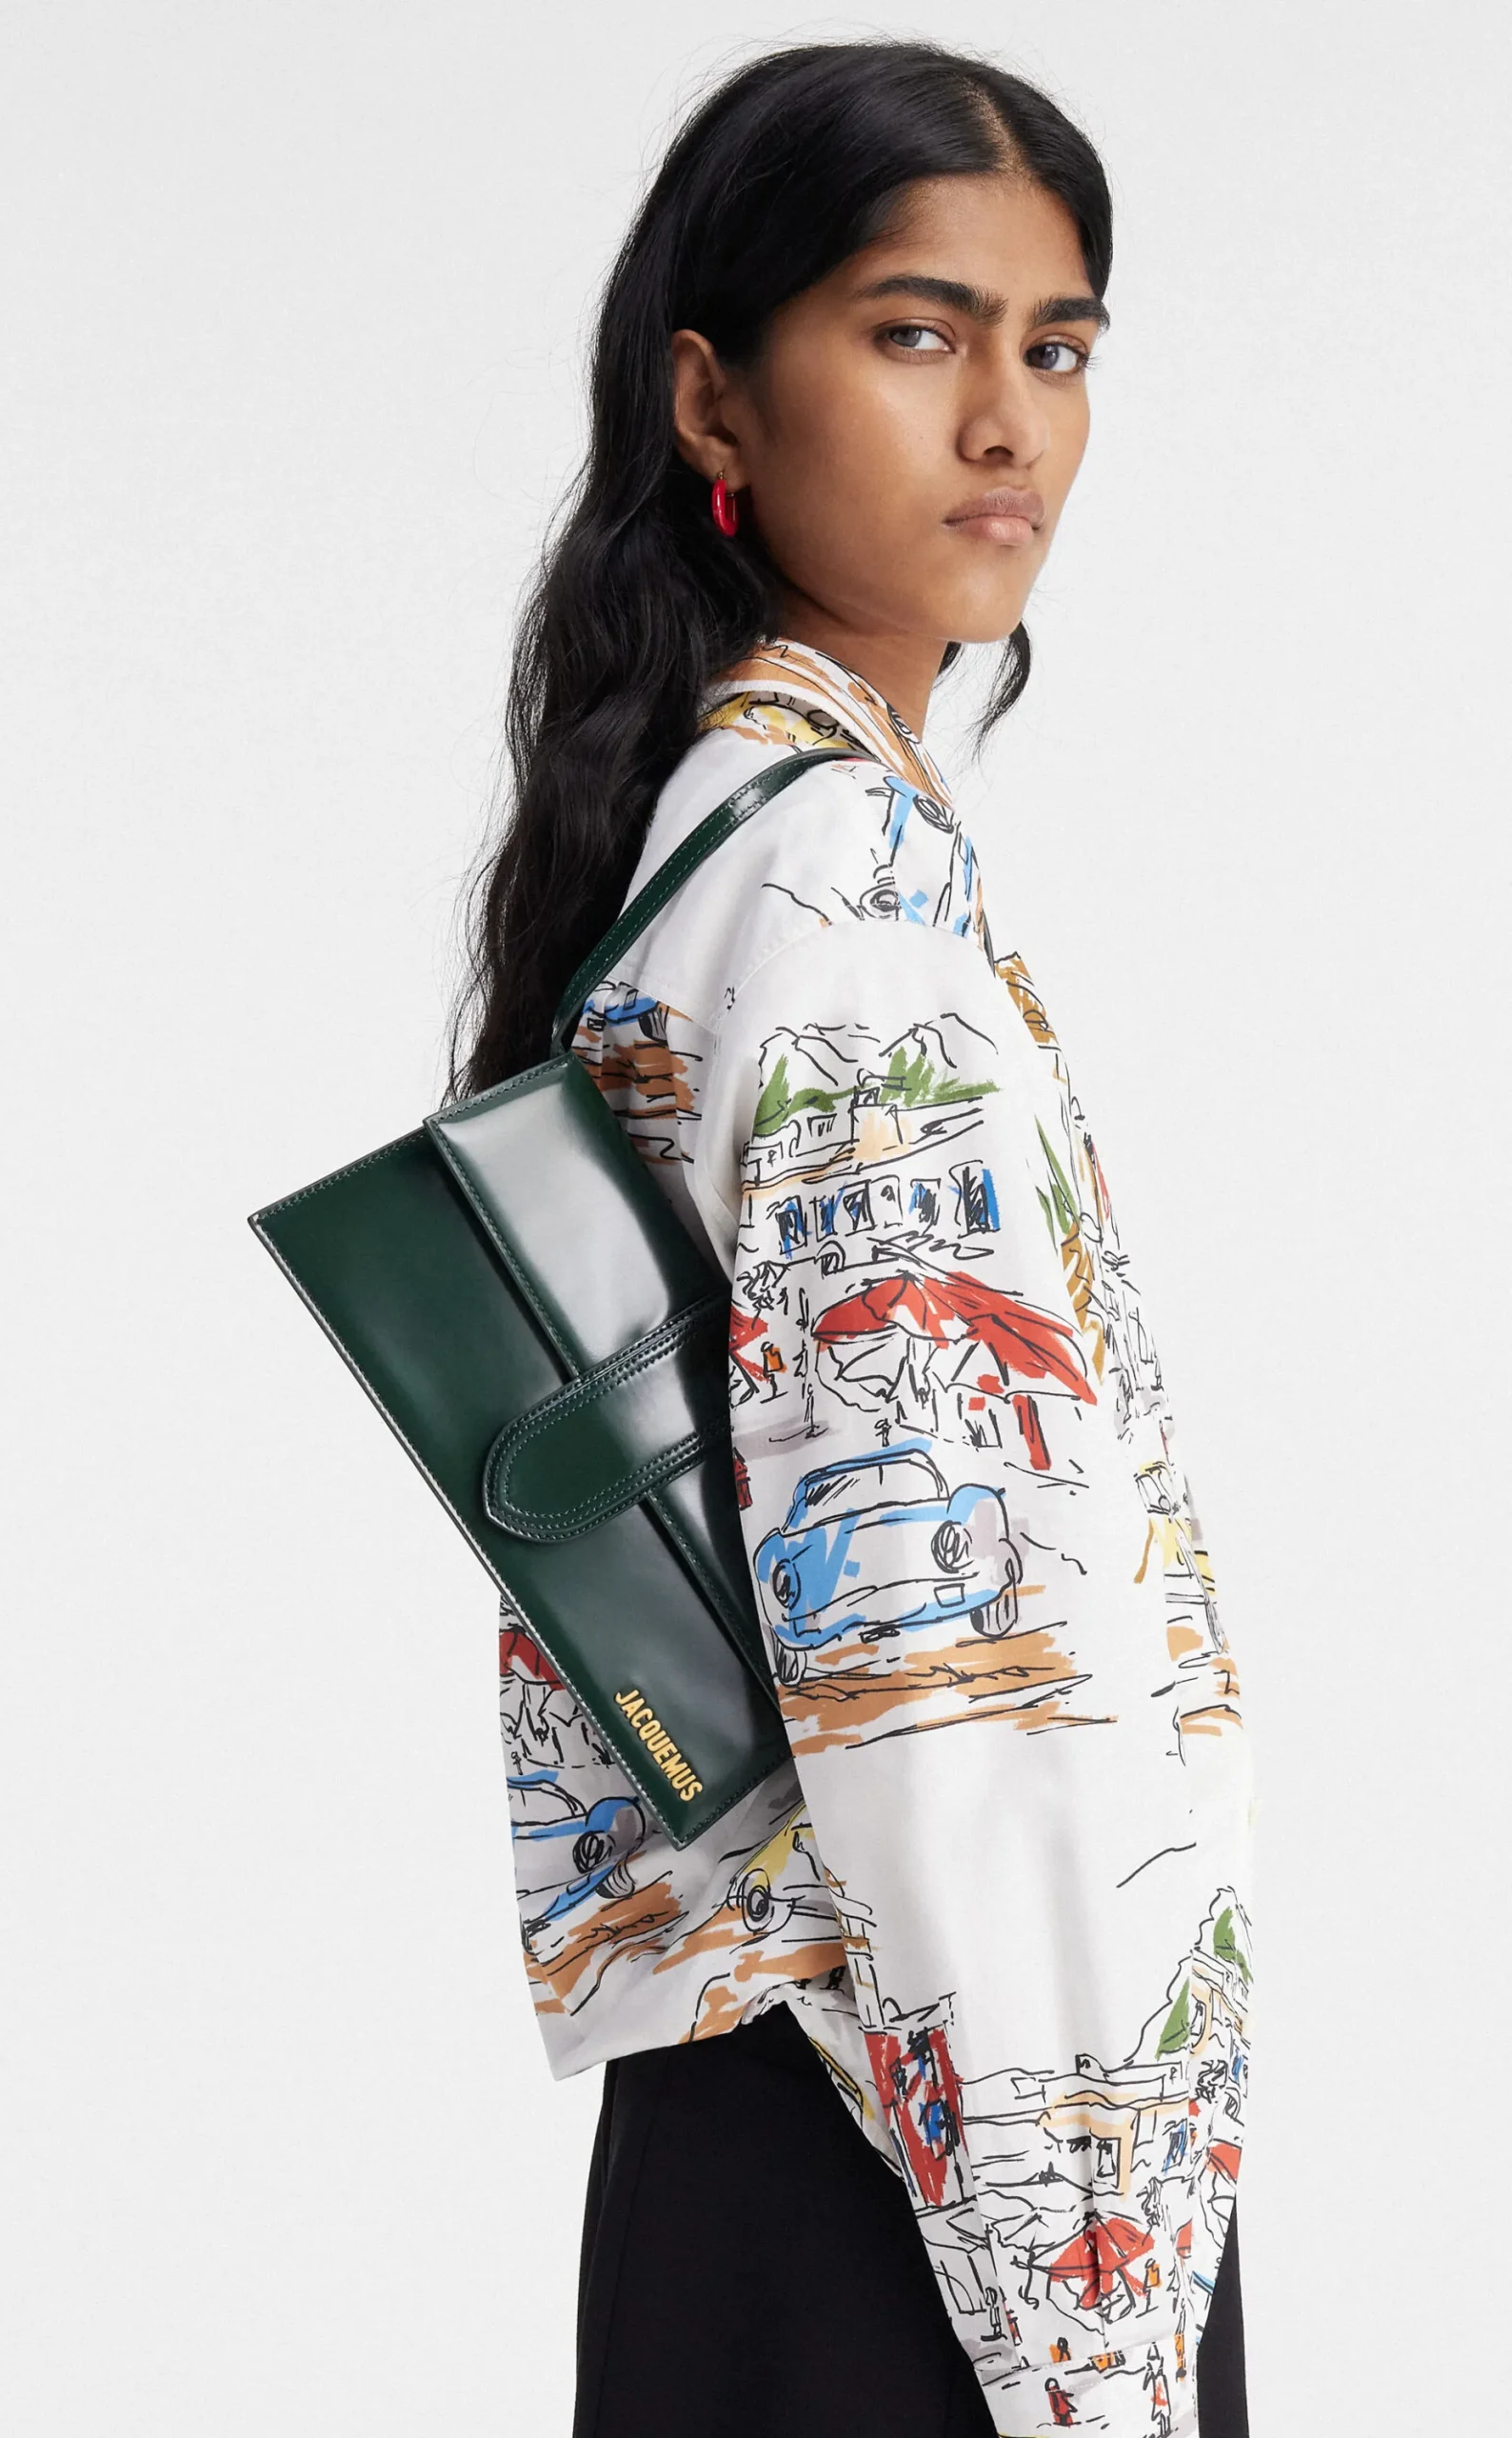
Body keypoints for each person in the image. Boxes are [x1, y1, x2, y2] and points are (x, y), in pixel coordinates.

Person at [458, 41, 1255, 2438]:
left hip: (782, 2115)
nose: (1008, 423)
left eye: (1059, 346)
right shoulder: (841, 890)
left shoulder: (709, 840)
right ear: (713, 394)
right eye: (918, 334)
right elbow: (946, 1661)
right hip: (946, 2154)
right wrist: (1090, 2304)